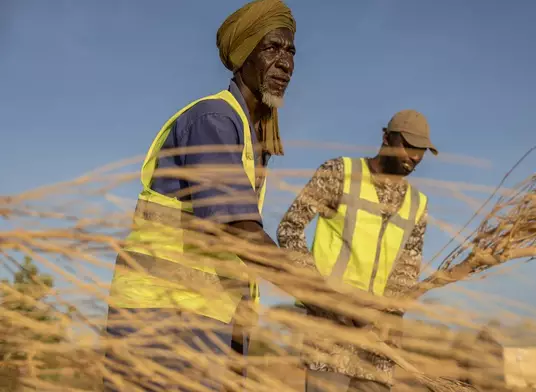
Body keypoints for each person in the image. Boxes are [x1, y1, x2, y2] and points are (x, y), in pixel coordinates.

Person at [102, 0, 296, 390]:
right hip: (164, 316)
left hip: (206, 316)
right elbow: (238, 231)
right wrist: (327, 298)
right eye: (272, 48)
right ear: (244, 54)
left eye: (291, 51)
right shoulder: (215, 120)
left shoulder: (250, 135)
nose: (286, 63)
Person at [277, 109, 438, 392]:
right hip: (330, 329)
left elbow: (407, 270)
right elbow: (290, 229)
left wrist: (388, 314)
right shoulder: (339, 173)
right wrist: (323, 299)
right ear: (386, 137)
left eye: (421, 150)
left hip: (378, 342)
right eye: (408, 145)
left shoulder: (418, 203)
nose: (414, 157)